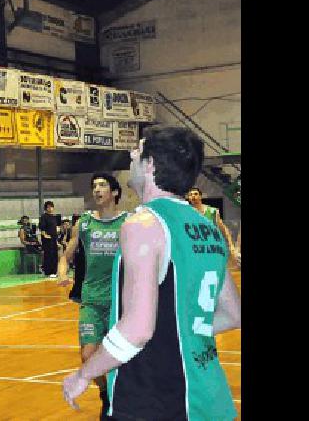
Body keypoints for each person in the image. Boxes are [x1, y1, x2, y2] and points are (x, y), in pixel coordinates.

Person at [61, 126, 240, 421]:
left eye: (138, 149)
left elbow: (138, 328)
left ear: (151, 163)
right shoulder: (206, 227)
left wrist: (84, 374)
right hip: (207, 394)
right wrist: (180, 334)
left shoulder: (144, 224)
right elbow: (234, 314)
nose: (132, 153)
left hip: (157, 397)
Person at [55, 173, 128, 416]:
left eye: (102, 185)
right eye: (94, 186)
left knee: (123, 358)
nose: (96, 190)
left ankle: (123, 400)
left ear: (115, 192)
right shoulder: (84, 223)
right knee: (88, 355)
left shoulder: (128, 222)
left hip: (121, 301)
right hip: (92, 300)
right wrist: (62, 272)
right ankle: (106, 395)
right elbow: (66, 255)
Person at [185, 187, 237, 262]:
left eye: (196, 194)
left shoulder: (212, 211)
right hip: (196, 250)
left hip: (212, 249)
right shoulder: (187, 213)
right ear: (189, 198)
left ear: (200, 196)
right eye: (191, 195)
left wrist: (231, 246)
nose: (193, 196)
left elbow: (224, 229)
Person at [38, 201, 61, 277]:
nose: (50, 208)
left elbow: (56, 228)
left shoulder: (54, 217)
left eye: (51, 207)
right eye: (48, 207)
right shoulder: (43, 217)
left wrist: (56, 240)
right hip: (47, 239)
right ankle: (48, 271)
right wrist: (45, 235)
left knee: (54, 254)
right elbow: (42, 228)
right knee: (48, 255)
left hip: (54, 238)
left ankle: (54, 271)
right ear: (45, 208)